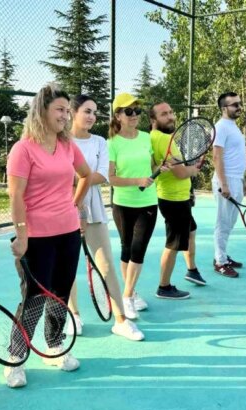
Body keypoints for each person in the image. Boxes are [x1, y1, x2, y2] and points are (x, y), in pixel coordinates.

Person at [4, 83, 92, 388]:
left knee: (61, 293)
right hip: (36, 236)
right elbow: (16, 197)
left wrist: (74, 205)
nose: (66, 115)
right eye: (60, 109)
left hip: (68, 233)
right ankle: (15, 357)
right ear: (42, 111)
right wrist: (22, 236)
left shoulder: (68, 146)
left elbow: (86, 175)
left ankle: (54, 346)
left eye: (68, 110)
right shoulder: (23, 149)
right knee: (34, 298)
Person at [66, 94, 144, 341]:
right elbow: (61, 176)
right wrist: (74, 202)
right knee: (66, 267)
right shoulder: (60, 141)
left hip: (94, 207)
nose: (91, 116)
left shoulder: (100, 141)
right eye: (86, 111)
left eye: (94, 112)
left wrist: (78, 187)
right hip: (63, 208)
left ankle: (120, 319)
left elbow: (103, 175)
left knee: (107, 264)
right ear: (72, 112)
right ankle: (74, 314)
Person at [108, 92, 166, 319]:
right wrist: (136, 181)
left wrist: (162, 167)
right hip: (122, 203)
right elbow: (110, 178)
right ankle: (131, 292)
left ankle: (127, 295)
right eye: (129, 111)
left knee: (138, 249)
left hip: (148, 202)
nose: (134, 115)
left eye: (137, 111)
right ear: (118, 115)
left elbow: (152, 166)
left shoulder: (146, 138)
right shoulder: (112, 143)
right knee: (126, 249)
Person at [149, 101, 202, 296]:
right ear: (153, 119)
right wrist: (193, 170)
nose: (171, 116)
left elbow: (177, 168)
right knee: (173, 243)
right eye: (164, 114)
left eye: (171, 112)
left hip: (175, 197)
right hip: (174, 200)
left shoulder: (156, 137)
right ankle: (164, 286)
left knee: (191, 231)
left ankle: (192, 270)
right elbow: (180, 172)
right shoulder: (163, 139)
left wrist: (188, 169)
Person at [212, 92, 246, 278]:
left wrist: (242, 181)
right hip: (226, 181)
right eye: (234, 105)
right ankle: (220, 262)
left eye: (239, 104)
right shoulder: (220, 127)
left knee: (230, 222)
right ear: (224, 108)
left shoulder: (233, 126)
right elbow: (216, 157)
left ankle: (222, 255)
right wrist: (224, 184)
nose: (239, 107)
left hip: (236, 180)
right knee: (223, 223)